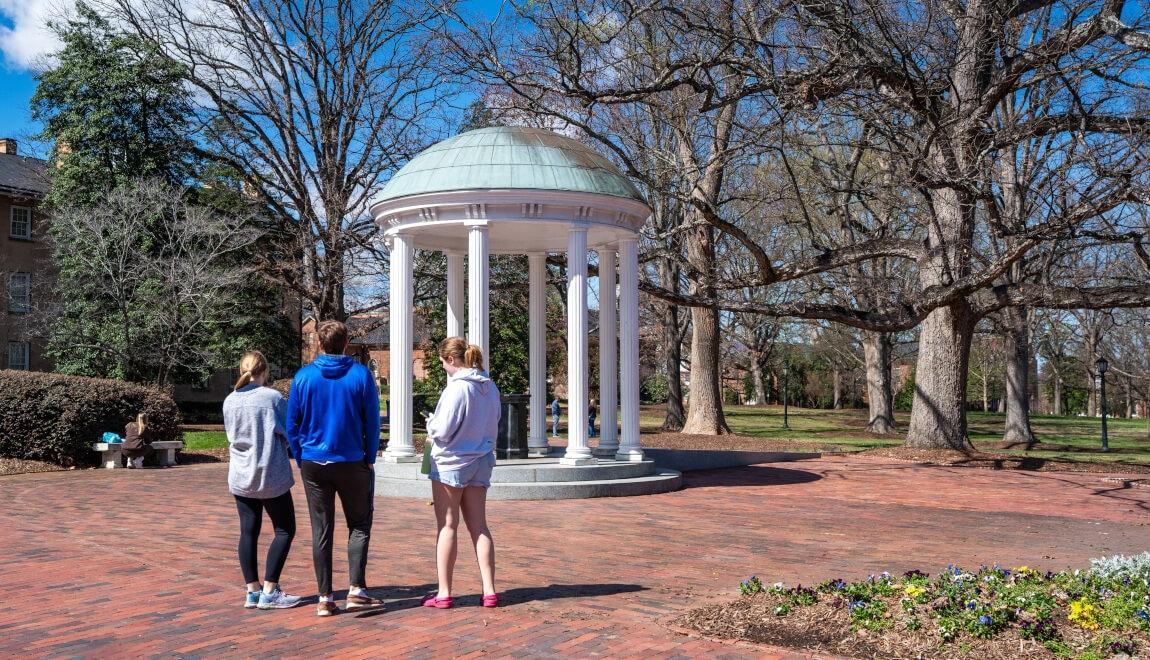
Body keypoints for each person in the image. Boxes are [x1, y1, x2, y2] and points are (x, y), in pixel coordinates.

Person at [287, 320, 383, 617]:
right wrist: (370, 455)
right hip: (352, 459)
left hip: (315, 461)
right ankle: (356, 589)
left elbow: (292, 423)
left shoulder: (303, 377)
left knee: (321, 529)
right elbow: (372, 419)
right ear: (345, 343)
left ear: (319, 344)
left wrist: (301, 455)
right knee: (359, 524)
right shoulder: (360, 375)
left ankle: (325, 597)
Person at [422, 337, 501, 609]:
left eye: (443, 361)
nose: (443, 366)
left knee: (447, 525)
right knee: (479, 526)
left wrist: (431, 424)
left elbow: (443, 430)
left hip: (452, 462)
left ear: (452, 360)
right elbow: (494, 422)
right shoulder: (489, 387)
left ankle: (444, 592)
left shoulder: (456, 389)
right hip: (481, 458)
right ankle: (489, 590)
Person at [223, 350, 301, 610]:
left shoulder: (229, 400)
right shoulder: (272, 398)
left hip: (241, 474)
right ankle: (270, 589)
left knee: (248, 530)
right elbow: (290, 430)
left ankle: (252, 591)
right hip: (270, 474)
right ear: (265, 371)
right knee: (285, 528)